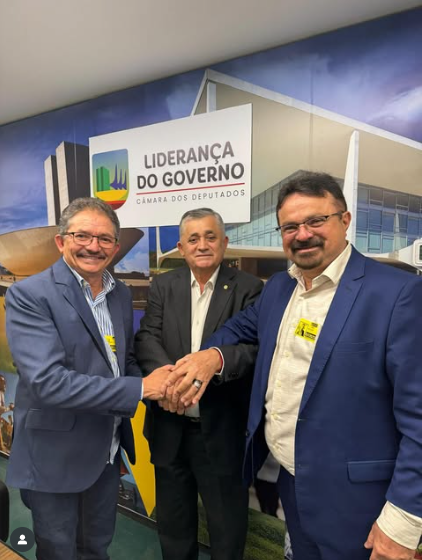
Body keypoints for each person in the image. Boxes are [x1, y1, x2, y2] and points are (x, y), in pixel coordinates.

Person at [167, 172, 422, 560]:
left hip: (359, 502)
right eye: (290, 227)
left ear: (345, 220)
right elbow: (239, 328)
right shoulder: (279, 287)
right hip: (292, 485)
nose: (303, 234)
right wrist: (211, 356)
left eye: (316, 220)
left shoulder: (397, 294)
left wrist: (403, 521)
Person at [5, 197, 169, 560]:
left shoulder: (119, 294)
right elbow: (48, 382)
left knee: (96, 548)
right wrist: (142, 388)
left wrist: (161, 385)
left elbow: (122, 360)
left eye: (105, 238)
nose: (94, 246)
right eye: (82, 236)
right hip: (55, 455)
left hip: (105, 452)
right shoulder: (29, 295)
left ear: (115, 246)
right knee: (59, 551)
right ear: (61, 241)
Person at [134, 208, 263, 560]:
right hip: (168, 427)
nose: (202, 245)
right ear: (181, 247)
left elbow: (253, 350)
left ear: (224, 242)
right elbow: (147, 337)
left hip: (221, 431)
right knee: (173, 527)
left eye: (210, 237)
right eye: (193, 238)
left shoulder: (249, 288)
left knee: (227, 530)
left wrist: (212, 364)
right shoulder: (164, 285)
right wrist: (170, 385)